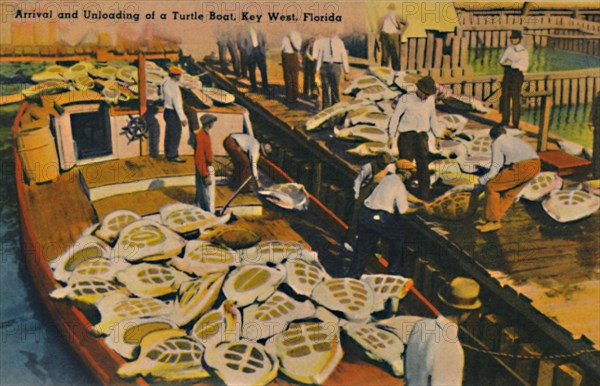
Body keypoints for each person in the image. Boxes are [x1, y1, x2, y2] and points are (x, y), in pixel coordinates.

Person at [347, 160, 424, 279]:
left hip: (366, 214)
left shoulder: (387, 179)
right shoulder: (399, 185)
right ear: (406, 174)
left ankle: (352, 277)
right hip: (379, 218)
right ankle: (393, 275)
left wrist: (421, 203)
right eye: (410, 173)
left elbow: (407, 195)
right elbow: (404, 210)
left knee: (362, 249)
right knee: (398, 239)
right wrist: (421, 209)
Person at [476, 125, 540, 232]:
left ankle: (493, 221)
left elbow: (495, 168)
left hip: (522, 167)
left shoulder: (497, 142)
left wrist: (482, 180)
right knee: (510, 193)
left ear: (493, 137)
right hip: (535, 165)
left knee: (492, 186)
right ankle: (493, 217)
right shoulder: (514, 140)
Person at [387, 76, 439, 200]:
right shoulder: (406, 99)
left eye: (429, 94)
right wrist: (391, 136)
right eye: (425, 93)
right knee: (405, 166)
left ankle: (424, 195)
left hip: (422, 136)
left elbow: (433, 118)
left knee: (423, 166)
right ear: (418, 89)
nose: (426, 96)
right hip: (406, 136)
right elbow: (395, 117)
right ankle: (402, 195)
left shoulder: (430, 101)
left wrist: (437, 136)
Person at [345, 153, 396, 251]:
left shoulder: (388, 169)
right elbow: (358, 181)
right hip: (364, 193)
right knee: (356, 218)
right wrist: (356, 195)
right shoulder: (369, 166)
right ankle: (350, 241)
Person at [499, 30, 529, 129]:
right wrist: (510, 64)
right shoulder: (509, 49)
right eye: (512, 38)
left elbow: (524, 66)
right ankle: (505, 120)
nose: (513, 40)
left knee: (515, 99)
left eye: (515, 38)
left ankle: (515, 123)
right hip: (508, 74)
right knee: (505, 97)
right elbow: (502, 61)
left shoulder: (524, 51)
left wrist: (513, 64)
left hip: (517, 75)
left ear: (519, 39)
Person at [316, 29, 350, 109]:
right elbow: (320, 56)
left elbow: (344, 56)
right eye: (329, 30)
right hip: (324, 66)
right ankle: (326, 107)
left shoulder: (340, 42)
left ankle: (335, 107)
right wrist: (317, 69)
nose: (330, 32)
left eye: (332, 30)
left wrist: (346, 71)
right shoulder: (323, 42)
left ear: (336, 32)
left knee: (334, 87)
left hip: (336, 66)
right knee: (325, 87)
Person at [162, 65, 188, 163]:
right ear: (176, 76)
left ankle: (167, 153)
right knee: (175, 134)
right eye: (179, 75)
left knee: (169, 133)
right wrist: (182, 118)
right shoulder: (174, 87)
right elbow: (177, 103)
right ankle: (173, 156)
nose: (180, 77)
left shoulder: (166, 82)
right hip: (173, 113)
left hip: (167, 111)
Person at [195, 114, 218, 212]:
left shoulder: (203, 134)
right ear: (209, 123)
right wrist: (205, 175)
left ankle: (204, 210)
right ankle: (210, 213)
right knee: (209, 194)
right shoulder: (201, 136)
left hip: (206, 167)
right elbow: (200, 157)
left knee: (203, 193)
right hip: (205, 168)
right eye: (212, 122)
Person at [377, 3, 407, 71]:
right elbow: (379, 26)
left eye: (392, 10)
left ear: (394, 10)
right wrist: (380, 34)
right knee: (384, 56)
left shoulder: (397, 17)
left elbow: (406, 23)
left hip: (394, 37)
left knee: (395, 56)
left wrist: (401, 31)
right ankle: (384, 71)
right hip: (385, 37)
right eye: (389, 10)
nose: (391, 11)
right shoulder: (384, 17)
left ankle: (396, 73)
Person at [242, 26, 269, 94]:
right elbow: (242, 44)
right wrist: (247, 50)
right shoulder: (245, 32)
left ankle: (265, 87)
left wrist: (263, 48)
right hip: (251, 53)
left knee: (263, 70)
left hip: (259, 51)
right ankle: (254, 87)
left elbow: (264, 40)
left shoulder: (259, 30)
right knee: (251, 71)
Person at [281, 30, 302, 103]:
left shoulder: (285, 36)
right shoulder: (298, 34)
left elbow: (282, 48)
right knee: (295, 77)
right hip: (294, 57)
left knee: (288, 78)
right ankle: (295, 97)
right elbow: (298, 48)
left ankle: (289, 97)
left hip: (287, 57)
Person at [302, 33, 321, 99]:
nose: (314, 38)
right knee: (308, 78)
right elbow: (304, 52)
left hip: (315, 62)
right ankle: (307, 92)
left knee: (315, 78)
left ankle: (315, 93)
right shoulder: (308, 43)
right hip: (308, 63)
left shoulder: (319, 43)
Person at [590, 91, 600, 179]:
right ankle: (596, 175)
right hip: (598, 128)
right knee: (597, 152)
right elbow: (593, 112)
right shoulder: (597, 97)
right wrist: (591, 124)